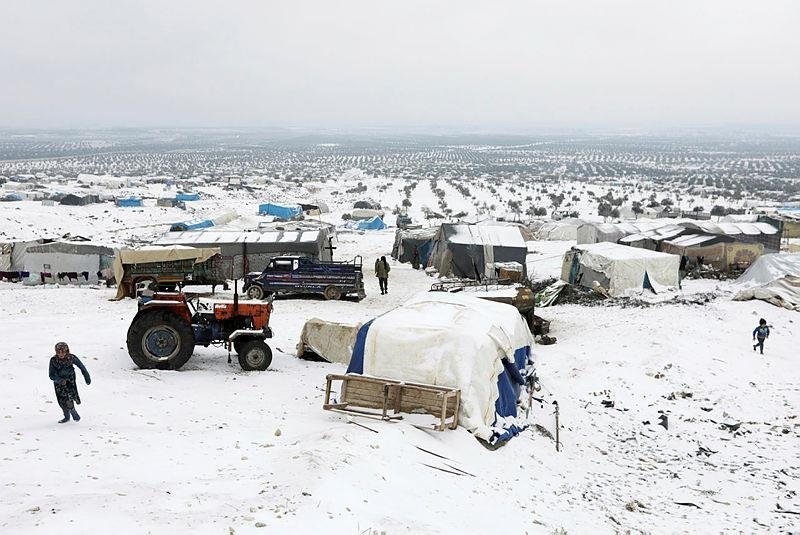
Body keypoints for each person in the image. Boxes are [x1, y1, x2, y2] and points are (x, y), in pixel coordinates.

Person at [49, 342, 91, 423]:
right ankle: (66, 416)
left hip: (70, 380)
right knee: (61, 401)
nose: (61, 354)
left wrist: (87, 377)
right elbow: (51, 375)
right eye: (58, 352)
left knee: (69, 398)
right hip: (59, 382)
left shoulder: (71, 358)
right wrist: (60, 380)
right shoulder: (53, 360)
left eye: (63, 352)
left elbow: (82, 367)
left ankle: (73, 411)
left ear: (66, 351)